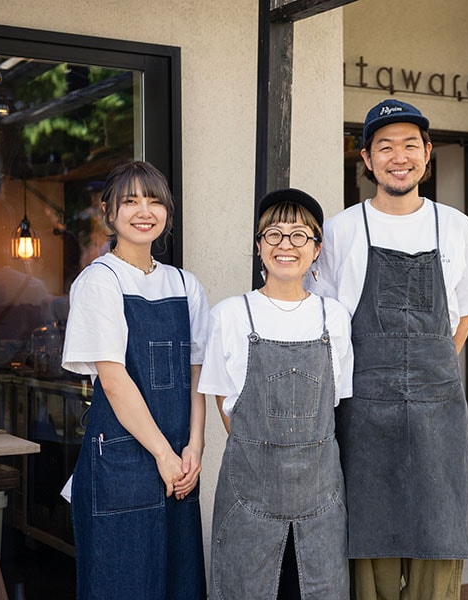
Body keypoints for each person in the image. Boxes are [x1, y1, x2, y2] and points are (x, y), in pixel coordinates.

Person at [310, 99, 468, 600]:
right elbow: (323, 323)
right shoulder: (341, 230)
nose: (399, 156)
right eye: (384, 146)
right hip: (364, 410)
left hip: (440, 413)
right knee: (372, 549)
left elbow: (465, 315)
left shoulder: (457, 227)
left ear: (427, 153)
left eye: (410, 145)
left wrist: (428, 371)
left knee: (439, 538)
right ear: (366, 159)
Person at [62, 160, 208, 600]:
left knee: (178, 582)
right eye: (130, 201)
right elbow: (113, 379)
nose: (144, 210)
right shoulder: (99, 281)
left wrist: (195, 448)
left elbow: (197, 373)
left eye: (154, 200)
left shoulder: (186, 284)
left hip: (180, 464)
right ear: (108, 212)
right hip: (122, 463)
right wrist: (165, 454)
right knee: (123, 585)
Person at [199, 188, 353, 599]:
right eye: (274, 235)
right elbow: (223, 404)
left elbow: (337, 402)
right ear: (259, 246)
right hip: (249, 490)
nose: (286, 246)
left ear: (317, 248)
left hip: (321, 492)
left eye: (300, 235)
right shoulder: (230, 315)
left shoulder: (334, 317)